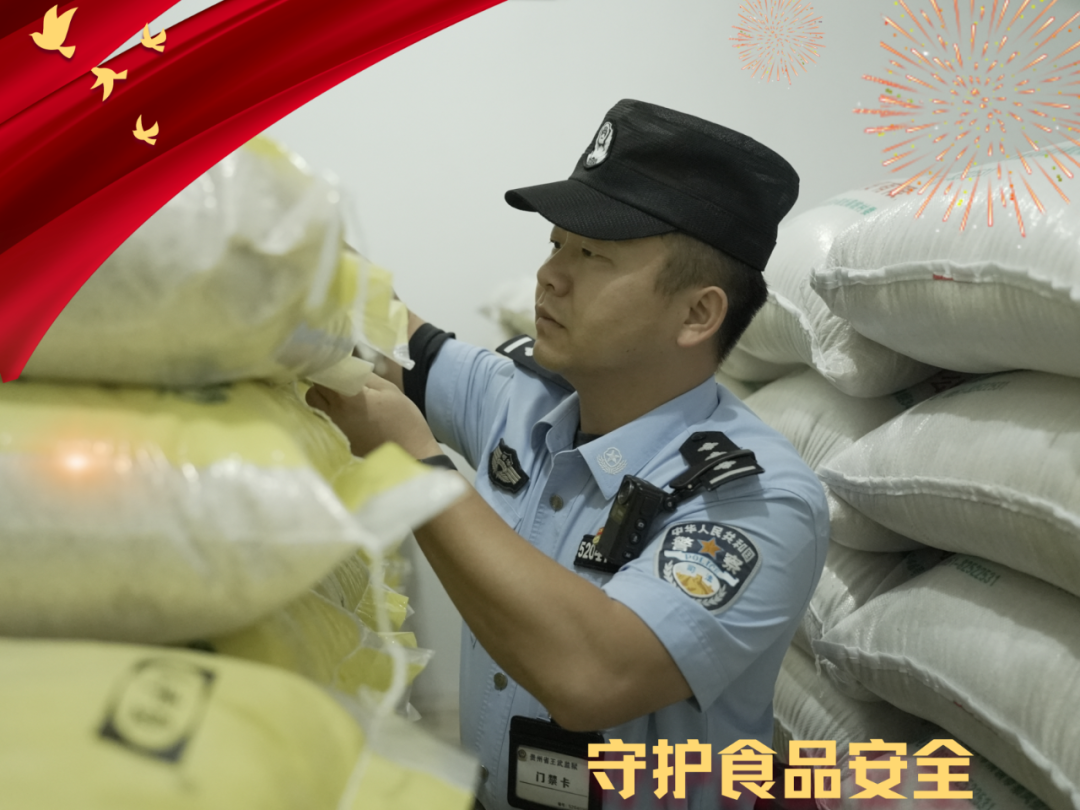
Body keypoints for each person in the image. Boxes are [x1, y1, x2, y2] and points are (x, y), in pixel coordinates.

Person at [306, 99, 829, 810]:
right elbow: (384, 331)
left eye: (593, 255)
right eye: (557, 244)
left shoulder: (756, 499)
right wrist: (279, 224)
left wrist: (416, 467)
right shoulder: (526, 401)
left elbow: (594, 676)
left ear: (697, 313)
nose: (550, 274)